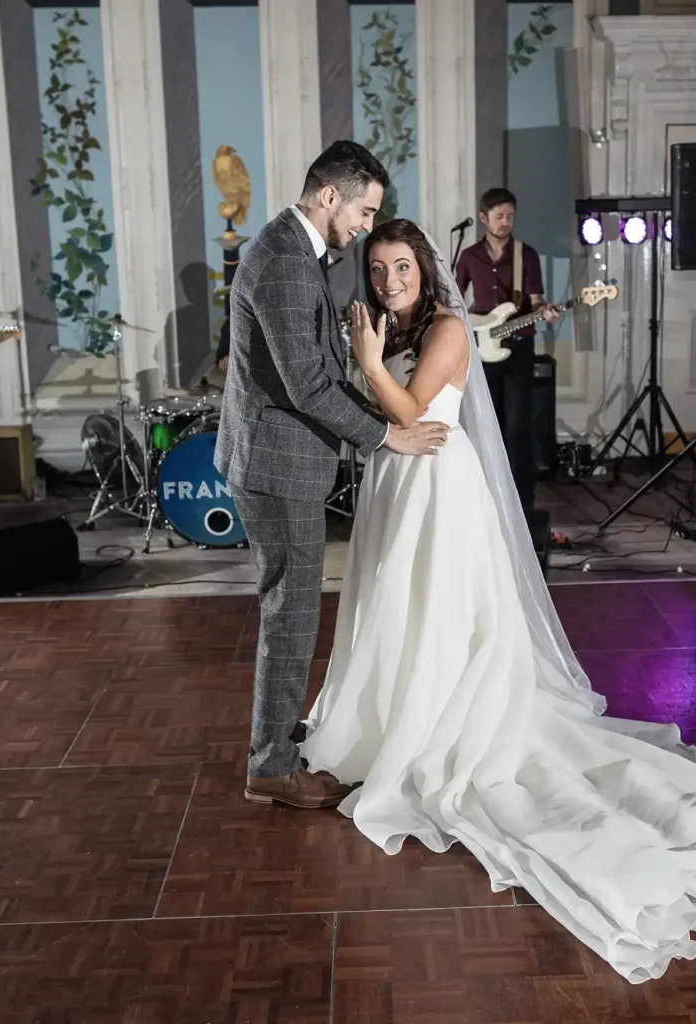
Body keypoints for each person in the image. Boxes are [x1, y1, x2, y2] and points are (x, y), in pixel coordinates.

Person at [300, 219, 696, 985]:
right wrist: (366, 357)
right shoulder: (389, 323)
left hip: (439, 487)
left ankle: (440, 728)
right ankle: (395, 713)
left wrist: (368, 361)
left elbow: (408, 411)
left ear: (426, 271)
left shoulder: (445, 329)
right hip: (397, 484)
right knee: (397, 612)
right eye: (378, 270)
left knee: (441, 613)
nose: (388, 281)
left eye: (400, 267)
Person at [213, 141, 451, 810]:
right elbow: (307, 387)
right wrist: (386, 436)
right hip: (278, 466)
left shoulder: (295, 251)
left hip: (276, 458)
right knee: (289, 616)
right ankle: (271, 766)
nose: (367, 227)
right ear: (329, 197)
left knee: (289, 610)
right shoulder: (286, 262)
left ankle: (278, 743)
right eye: (365, 211)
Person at [453, 188, 558, 516]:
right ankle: (486, 496)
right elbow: (456, 301)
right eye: (499, 216)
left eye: (510, 216)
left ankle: (522, 501)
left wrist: (545, 309)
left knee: (518, 426)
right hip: (483, 349)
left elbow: (537, 298)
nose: (505, 222)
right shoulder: (469, 256)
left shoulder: (526, 254)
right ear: (484, 218)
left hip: (519, 347)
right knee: (487, 424)